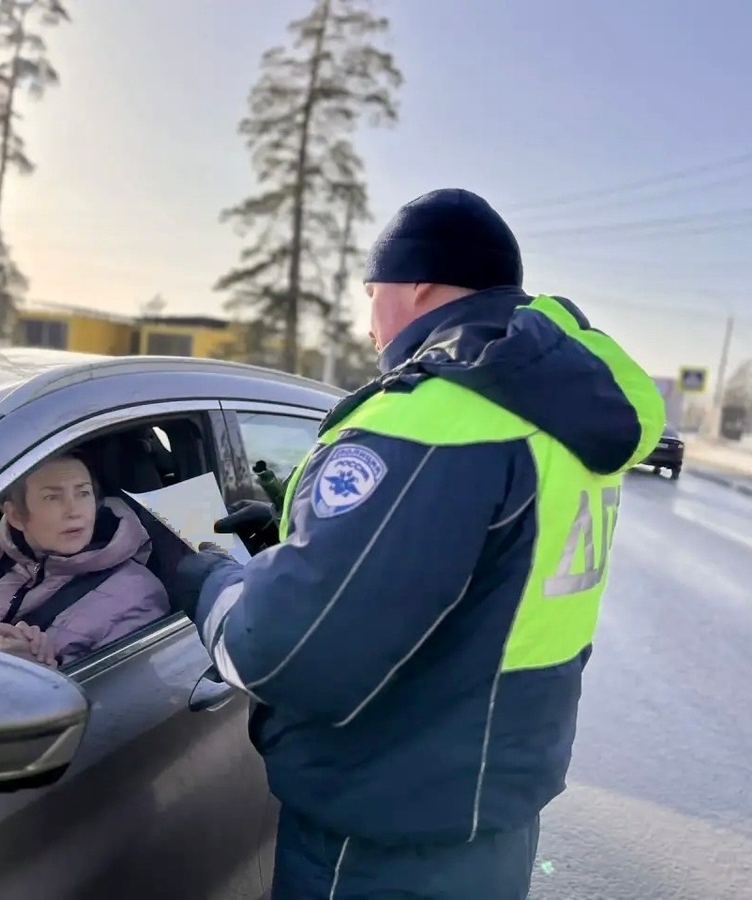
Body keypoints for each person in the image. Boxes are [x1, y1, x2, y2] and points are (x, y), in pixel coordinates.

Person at [174, 188, 665, 900]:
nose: (369, 323)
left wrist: (206, 582)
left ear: (418, 287)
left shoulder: (433, 419)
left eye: (372, 294)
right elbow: (482, 567)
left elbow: (283, 653)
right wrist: (296, 542)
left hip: (382, 834)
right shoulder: (556, 413)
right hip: (486, 810)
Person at [0, 452, 169, 667]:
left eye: (83, 493)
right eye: (52, 497)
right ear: (16, 515)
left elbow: (117, 696)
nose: (74, 511)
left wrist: (38, 671)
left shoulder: (137, 592)